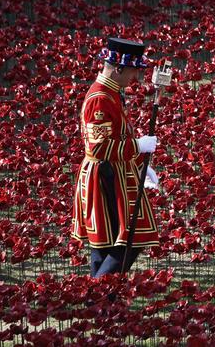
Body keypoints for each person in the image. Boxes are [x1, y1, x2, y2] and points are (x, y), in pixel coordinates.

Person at [71, 37, 160, 277]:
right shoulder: (100, 97)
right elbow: (99, 147)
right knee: (128, 239)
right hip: (105, 176)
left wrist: (141, 165)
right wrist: (138, 146)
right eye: (132, 70)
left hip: (115, 173)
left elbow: (118, 135)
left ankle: (100, 296)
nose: (135, 77)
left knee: (107, 244)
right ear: (118, 68)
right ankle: (101, 292)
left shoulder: (111, 92)